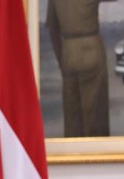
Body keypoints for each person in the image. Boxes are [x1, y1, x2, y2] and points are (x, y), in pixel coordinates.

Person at [47, 0, 111, 137]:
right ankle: (97, 155)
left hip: (69, 53)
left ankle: (73, 155)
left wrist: (62, 58)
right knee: (96, 114)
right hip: (92, 48)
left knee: (72, 116)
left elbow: (53, 28)